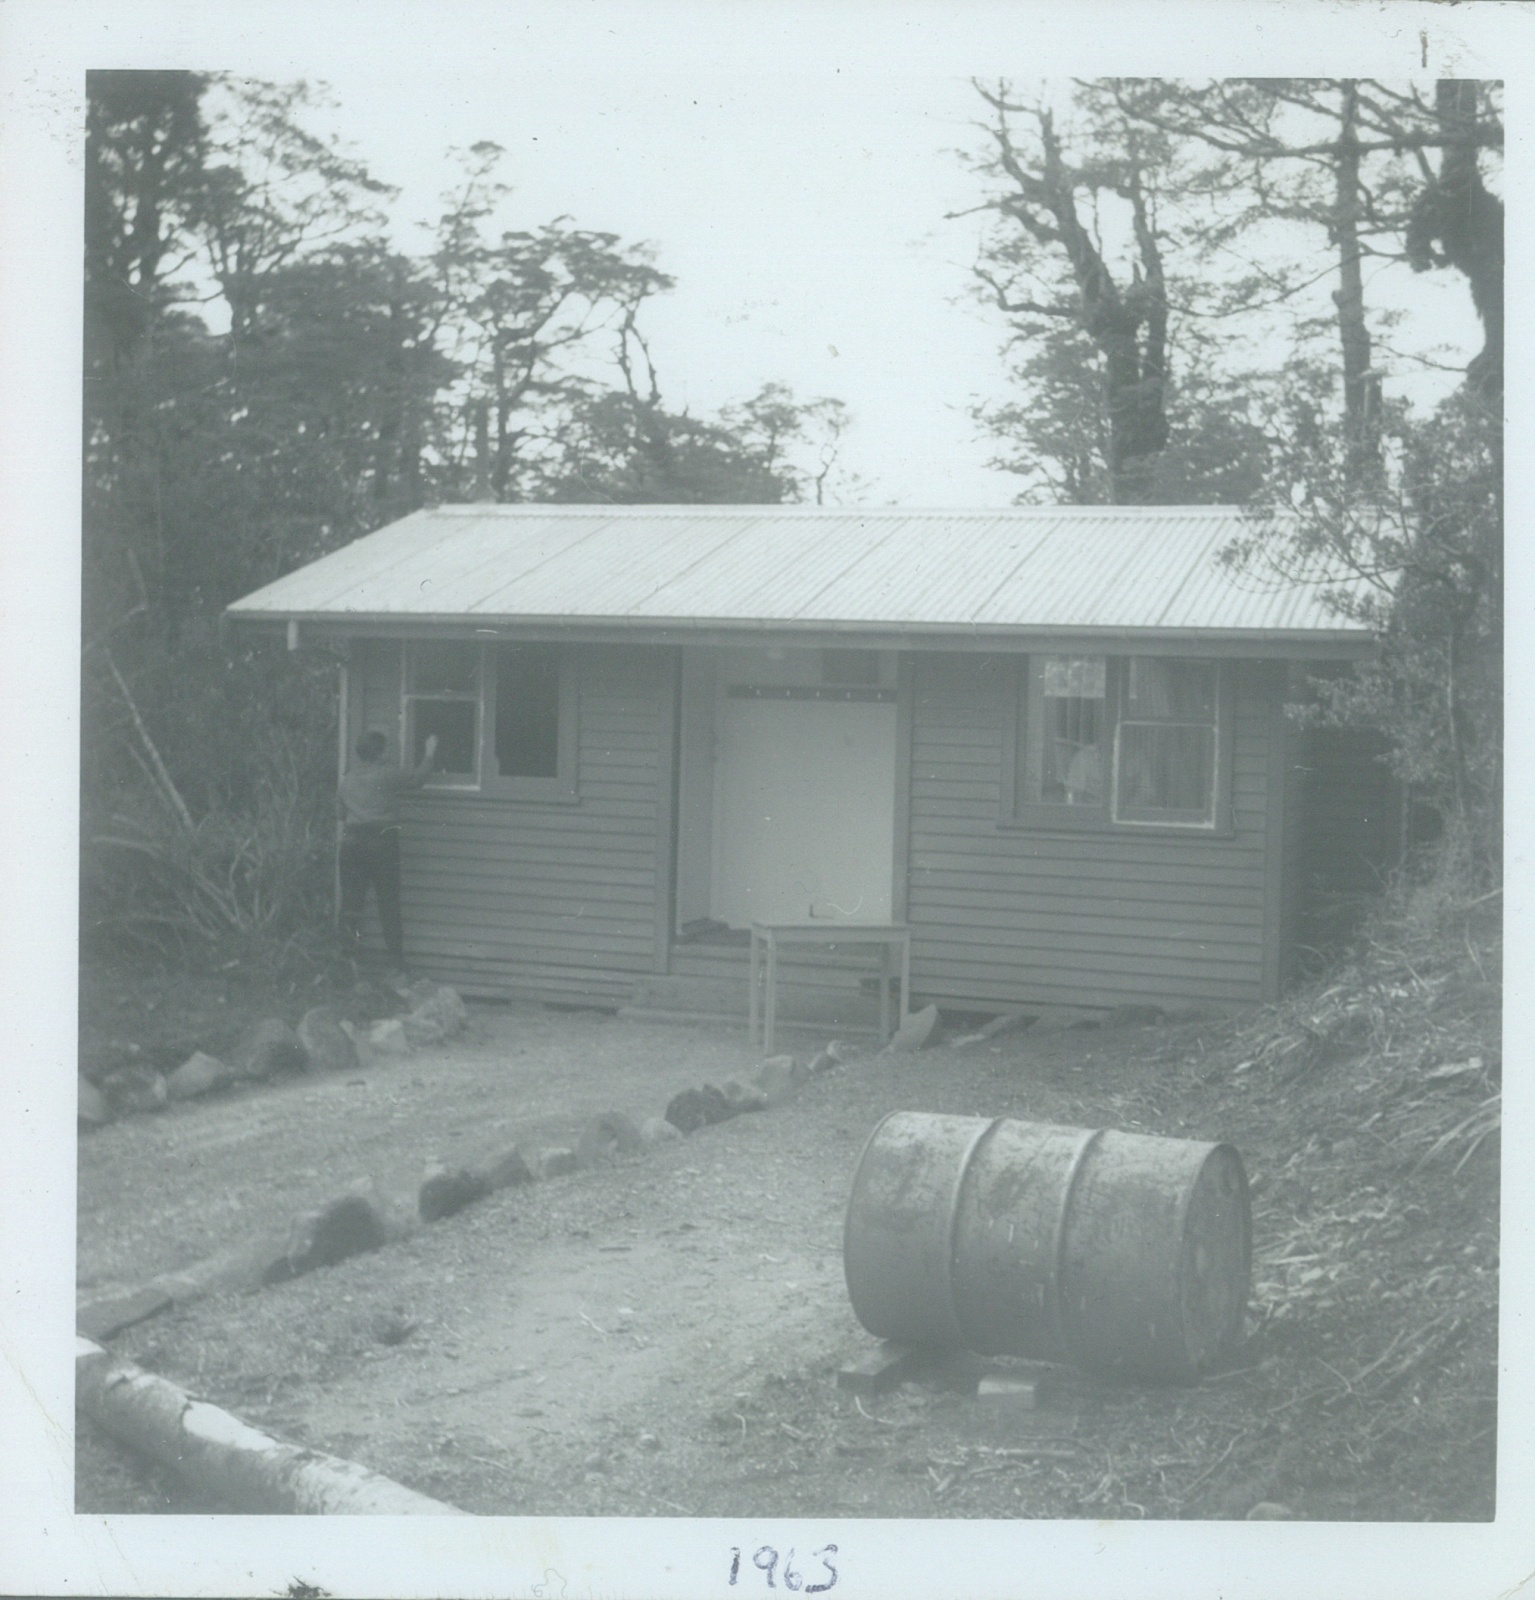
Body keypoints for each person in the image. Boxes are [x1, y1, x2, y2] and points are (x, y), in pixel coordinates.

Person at [337, 730, 437, 979]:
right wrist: (430, 752)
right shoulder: (386, 774)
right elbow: (417, 780)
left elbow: (340, 814)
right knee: (388, 903)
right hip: (381, 842)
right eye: (386, 749)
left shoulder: (347, 779)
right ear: (380, 753)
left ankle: (344, 964)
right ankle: (397, 964)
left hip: (351, 843)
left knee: (351, 905)